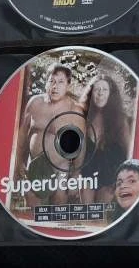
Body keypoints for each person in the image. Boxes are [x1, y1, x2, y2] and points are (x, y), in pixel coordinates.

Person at [13, 64, 86, 208]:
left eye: (60, 82)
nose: (55, 86)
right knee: (32, 201)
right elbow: (22, 135)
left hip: (61, 166)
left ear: (68, 85)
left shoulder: (75, 110)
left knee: (59, 202)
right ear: (46, 82)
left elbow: (81, 146)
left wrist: (76, 174)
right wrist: (19, 161)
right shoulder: (35, 103)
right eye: (51, 81)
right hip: (34, 164)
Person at [79, 73, 132, 205]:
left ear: (110, 94)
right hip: (87, 170)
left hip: (110, 172)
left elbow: (129, 151)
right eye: (97, 89)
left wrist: (124, 178)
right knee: (87, 210)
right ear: (91, 94)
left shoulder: (120, 119)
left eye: (104, 90)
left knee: (100, 210)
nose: (100, 93)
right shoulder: (82, 116)